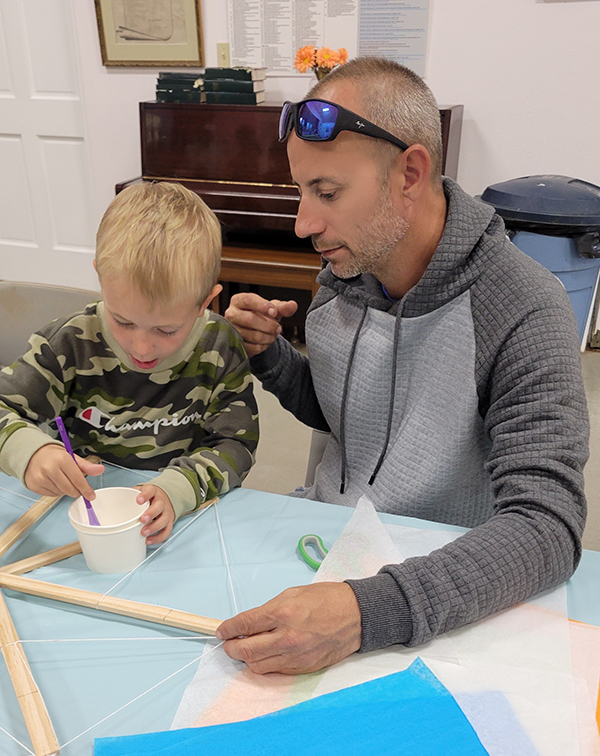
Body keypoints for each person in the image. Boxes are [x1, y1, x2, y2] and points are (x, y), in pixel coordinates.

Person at [216, 57, 589, 674]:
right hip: (326, 551)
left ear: (410, 173)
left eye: (327, 193)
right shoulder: (347, 268)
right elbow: (349, 419)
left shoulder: (524, 307)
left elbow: (547, 528)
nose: (303, 223)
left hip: (438, 596)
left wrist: (365, 612)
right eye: (301, 190)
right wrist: (273, 357)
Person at [0, 181, 258, 543]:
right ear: (101, 280)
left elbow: (235, 445)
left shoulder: (219, 345)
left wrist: (178, 489)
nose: (142, 347)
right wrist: (30, 452)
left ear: (206, 302)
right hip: (80, 518)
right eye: (123, 321)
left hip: (182, 523)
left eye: (166, 330)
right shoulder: (69, 344)